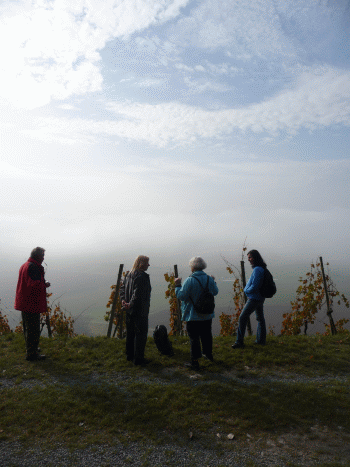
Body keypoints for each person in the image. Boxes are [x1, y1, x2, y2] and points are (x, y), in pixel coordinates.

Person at [175, 257, 218, 370]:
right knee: (207, 335)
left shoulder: (190, 280)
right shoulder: (209, 279)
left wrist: (177, 285)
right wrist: (214, 281)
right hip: (207, 314)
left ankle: (194, 361)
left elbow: (181, 296)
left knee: (194, 338)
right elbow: (215, 292)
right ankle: (208, 355)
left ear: (192, 267)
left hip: (193, 315)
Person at [14, 247, 51, 361]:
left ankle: (32, 348)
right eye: (42, 256)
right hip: (31, 303)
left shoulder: (25, 265)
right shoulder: (33, 267)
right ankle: (32, 354)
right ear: (37, 256)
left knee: (28, 327)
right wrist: (45, 285)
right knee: (33, 328)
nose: (43, 258)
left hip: (25, 301)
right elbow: (34, 285)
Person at [119, 255, 151, 366]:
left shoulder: (128, 274)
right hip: (140, 311)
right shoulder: (142, 277)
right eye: (147, 263)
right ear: (142, 264)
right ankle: (139, 359)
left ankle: (129, 355)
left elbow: (122, 289)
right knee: (141, 335)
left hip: (129, 312)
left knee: (130, 333)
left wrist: (123, 300)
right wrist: (130, 304)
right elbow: (138, 295)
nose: (148, 265)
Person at [232, 249, 267, 349]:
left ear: (255, 257)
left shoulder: (257, 270)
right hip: (260, 297)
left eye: (250, 257)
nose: (249, 260)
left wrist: (246, 291)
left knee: (242, 317)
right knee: (260, 318)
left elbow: (255, 286)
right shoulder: (261, 268)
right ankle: (261, 341)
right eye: (248, 258)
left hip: (254, 298)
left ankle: (239, 342)